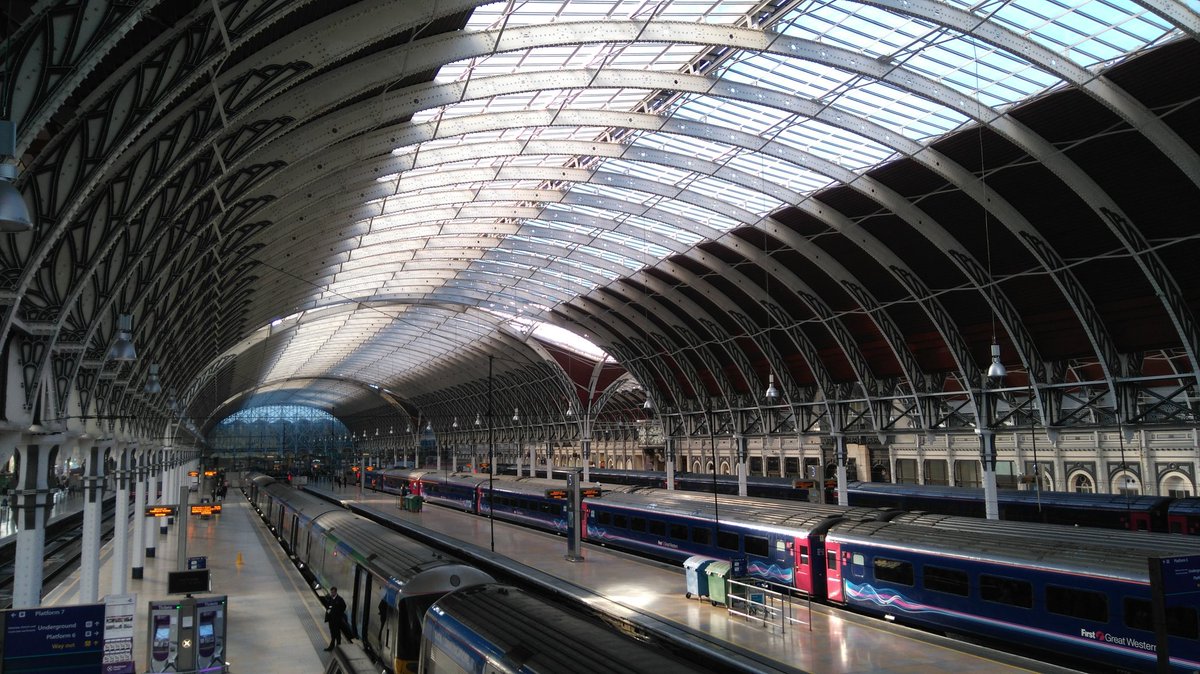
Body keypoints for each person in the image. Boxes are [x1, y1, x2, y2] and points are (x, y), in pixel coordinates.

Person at [323, 586, 347, 651]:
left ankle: (338, 646)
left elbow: (344, 607)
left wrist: (339, 613)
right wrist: (328, 614)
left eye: (333, 592)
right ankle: (332, 646)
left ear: (336, 592)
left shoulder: (340, 599)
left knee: (337, 633)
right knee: (332, 633)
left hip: (337, 620)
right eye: (331, 592)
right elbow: (328, 607)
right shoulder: (330, 598)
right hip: (331, 620)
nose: (332, 593)